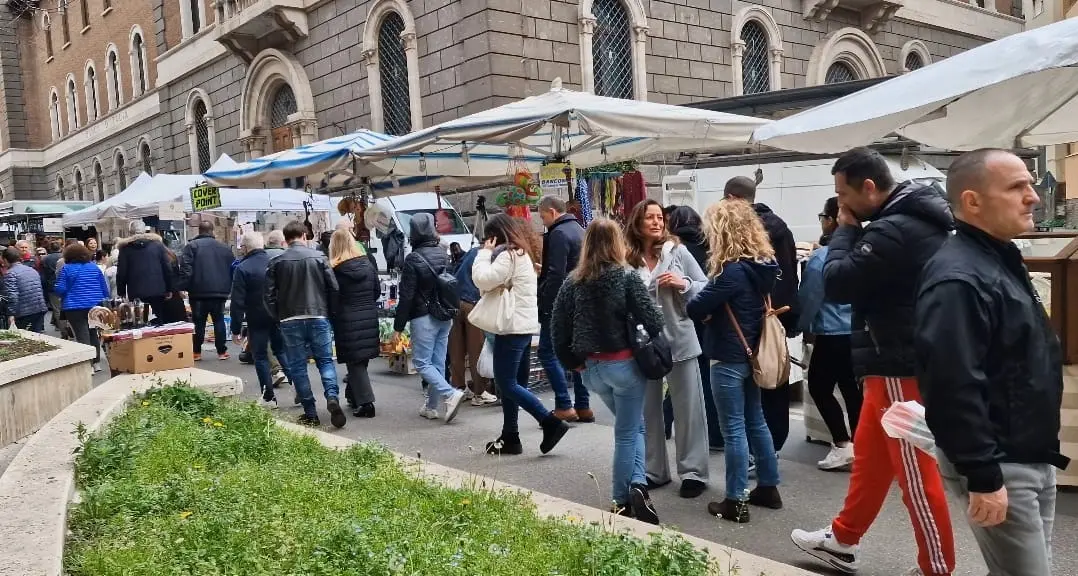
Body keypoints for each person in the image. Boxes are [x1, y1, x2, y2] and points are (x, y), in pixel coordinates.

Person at [791, 147, 956, 576]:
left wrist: (844, 231)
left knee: (916, 475)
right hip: (893, 359)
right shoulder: (909, 220)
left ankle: (937, 567)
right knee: (870, 458)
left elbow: (838, 282)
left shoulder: (892, 229)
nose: (839, 203)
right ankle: (843, 539)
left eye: (842, 194)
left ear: (868, 187)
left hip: (898, 361)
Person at [916, 149, 1070, 576]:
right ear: (973, 201)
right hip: (1003, 462)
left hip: (1030, 454)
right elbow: (951, 382)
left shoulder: (998, 259)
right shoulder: (958, 277)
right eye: (1017, 187)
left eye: (1030, 184)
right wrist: (983, 473)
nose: (1034, 196)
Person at [551, 218, 664, 524]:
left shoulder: (572, 282)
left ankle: (639, 485)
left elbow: (557, 329)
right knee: (628, 432)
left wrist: (571, 362)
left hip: (590, 371)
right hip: (625, 366)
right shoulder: (626, 277)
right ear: (617, 243)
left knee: (634, 426)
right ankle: (620, 499)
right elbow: (654, 322)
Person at [686, 198, 782, 524]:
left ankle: (736, 499)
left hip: (727, 355)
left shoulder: (731, 272)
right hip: (752, 354)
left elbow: (695, 308)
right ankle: (768, 487)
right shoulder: (763, 267)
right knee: (756, 420)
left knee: (734, 430)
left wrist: (710, 312)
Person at [624, 199, 711, 499]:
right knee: (648, 409)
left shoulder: (678, 252)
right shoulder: (627, 259)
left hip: (680, 339)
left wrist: (683, 283)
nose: (656, 222)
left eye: (660, 217)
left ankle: (693, 472)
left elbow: (705, 286)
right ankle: (654, 470)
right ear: (637, 222)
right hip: (643, 344)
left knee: (688, 409)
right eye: (649, 217)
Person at [471, 214, 568, 456]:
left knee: (507, 384)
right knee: (516, 384)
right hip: (523, 327)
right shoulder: (523, 254)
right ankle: (510, 436)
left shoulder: (509, 254)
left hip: (511, 327)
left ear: (496, 236)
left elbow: (481, 279)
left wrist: (484, 253)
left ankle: (550, 422)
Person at [724, 176, 798, 453]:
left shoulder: (743, 230)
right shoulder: (781, 226)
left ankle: (759, 450)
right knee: (775, 375)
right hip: (778, 313)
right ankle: (774, 442)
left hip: (751, 316)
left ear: (732, 199)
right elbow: (790, 272)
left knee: (750, 385)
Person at [797, 196, 860, 471]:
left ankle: (842, 444)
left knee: (819, 387)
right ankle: (862, 445)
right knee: (852, 390)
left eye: (823, 217)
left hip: (831, 333)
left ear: (832, 220)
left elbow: (810, 299)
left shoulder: (822, 258)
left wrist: (797, 326)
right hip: (859, 333)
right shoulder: (864, 251)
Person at [267, 221, 345, 428]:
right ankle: (332, 397)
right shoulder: (319, 257)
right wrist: (329, 312)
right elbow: (334, 288)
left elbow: (269, 295)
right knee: (326, 361)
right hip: (318, 316)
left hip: (289, 319)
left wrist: (278, 317)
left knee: (298, 367)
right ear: (304, 235)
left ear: (286, 238)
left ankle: (310, 412)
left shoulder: (277, 261)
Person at [393, 212, 464, 423]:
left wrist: (398, 326)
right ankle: (432, 407)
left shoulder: (413, 259)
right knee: (437, 362)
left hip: (423, 316)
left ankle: (450, 393)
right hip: (444, 314)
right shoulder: (443, 252)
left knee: (422, 363)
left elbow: (406, 296)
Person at [666, 205, 725, 452]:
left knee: (682, 377)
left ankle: (665, 421)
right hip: (709, 319)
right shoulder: (712, 246)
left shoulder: (676, 251)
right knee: (705, 377)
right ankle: (715, 435)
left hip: (683, 320)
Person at [536, 195, 591, 422]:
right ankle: (584, 406)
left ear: (552, 212)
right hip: (580, 300)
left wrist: (548, 304)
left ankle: (563, 404)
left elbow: (557, 273)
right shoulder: (580, 229)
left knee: (547, 352)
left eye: (542, 217)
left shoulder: (558, 234)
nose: (542, 222)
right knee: (576, 352)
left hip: (561, 302)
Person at [230, 232, 290, 409]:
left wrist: (235, 328)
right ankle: (300, 390)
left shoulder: (243, 268)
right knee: (281, 351)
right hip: (277, 315)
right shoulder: (275, 263)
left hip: (256, 318)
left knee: (261, 356)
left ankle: (269, 397)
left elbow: (237, 301)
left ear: (246, 247)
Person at [329, 229, 381, 418]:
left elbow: (333, 298)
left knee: (355, 362)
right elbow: (376, 291)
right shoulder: (367, 265)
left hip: (347, 318)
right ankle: (353, 395)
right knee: (361, 359)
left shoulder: (335, 270)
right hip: (369, 314)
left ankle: (367, 403)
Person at [448, 243, 499, 406]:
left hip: (457, 302)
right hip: (474, 304)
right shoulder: (491, 255)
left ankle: (458, 388)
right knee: (476, 348)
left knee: (457, 348)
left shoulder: (472, 251)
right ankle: (480, 392)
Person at [180, 221, 236, 360]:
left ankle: (196, 352)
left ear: (199, 230)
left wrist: (182, 286)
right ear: (212, 231)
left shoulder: (191, 246)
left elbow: (186, 269)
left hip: (198, 291)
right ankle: (222, 351)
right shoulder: (225, 248)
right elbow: (233, 267)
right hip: (220, 291)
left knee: (199, 321)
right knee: (218, 320)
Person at [53, 243, 109, 372]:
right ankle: (96, 363)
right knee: (93, 333)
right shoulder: (93, 267)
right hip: (94, 305)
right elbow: (104, 288)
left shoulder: (66, 269)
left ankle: (87, 364)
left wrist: (57, 289)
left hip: (74, 307)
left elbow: (60, 289)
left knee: (81, 334)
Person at [115, 228, 175, 322]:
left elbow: (121, 272)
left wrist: (121, 291)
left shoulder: (125, 248)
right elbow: (167, 268)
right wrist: (169, 288)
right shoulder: (158, 245)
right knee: (158, 318)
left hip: (136, 291)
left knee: (140, 319)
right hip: (157, 289)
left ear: (130, 233)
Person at [2, 247, 48, 332]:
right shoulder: (32, 270)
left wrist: (11, 314)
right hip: (39, 307)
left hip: (24, 312)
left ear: (5, 259)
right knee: (35, 337)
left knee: (21, 338)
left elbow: (12, 296)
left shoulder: (10, 274)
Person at [40, 241, 65, 333]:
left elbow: (44, 272)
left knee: (56, 308)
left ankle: (61, 327)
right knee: (64, 306)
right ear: (60, 248)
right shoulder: (64, 257)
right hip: (63, 284)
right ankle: (65, 326)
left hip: (51, 285)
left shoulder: (45, 259)